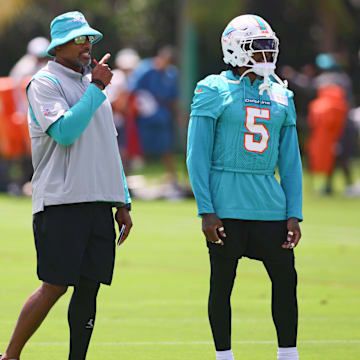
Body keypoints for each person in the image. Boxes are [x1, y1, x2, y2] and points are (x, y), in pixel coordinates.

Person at [0, 11, 132, 360]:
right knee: (55, 286)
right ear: (59, 47)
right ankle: (10, 356)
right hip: (61, 202)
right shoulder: (45, 83)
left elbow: (108, 145)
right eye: (79, 39)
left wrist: (123, 201)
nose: (87, 45)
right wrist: (98, 88)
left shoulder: (89, 85)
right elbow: (65, 131)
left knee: (89, 289)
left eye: (89, 39)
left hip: (98, 202)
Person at [187, 14, 303, 360]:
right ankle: (224, 356)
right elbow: (197, 155)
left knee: (286, 282)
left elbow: (292, 161)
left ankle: (288, 354)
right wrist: (206, 210)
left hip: (269, 203)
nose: (267, 56)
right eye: (259, 48)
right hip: (226, 203)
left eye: (270, 49)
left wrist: (294, 212)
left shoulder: (282, 95)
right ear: (236, 50)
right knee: (222, 283)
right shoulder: (213, 89)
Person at [130, 46, 180, 185]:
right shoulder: (144, 69)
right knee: (135, 148)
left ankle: (172, 179)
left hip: (162, 118)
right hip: (143, 118)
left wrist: (178, 115)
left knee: (166, 149)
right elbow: (132, 92)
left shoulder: (171, 74)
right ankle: (125, 179)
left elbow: (173, 98)